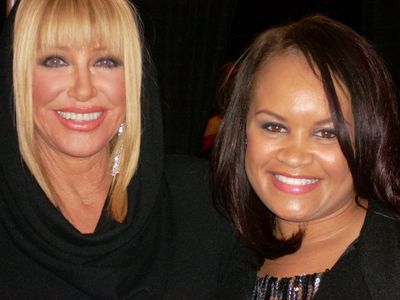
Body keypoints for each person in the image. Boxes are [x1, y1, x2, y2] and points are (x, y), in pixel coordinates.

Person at [0, 0, 235, 298]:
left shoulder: (200, 199)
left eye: (106, 62)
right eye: (56, 61)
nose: (83, 89)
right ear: (17, 74)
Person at [213, 15, 400, 299]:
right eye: (274, 127)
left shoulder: (390, 265)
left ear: (369, 137)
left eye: (327, 133)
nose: (294, 156)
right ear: (241, 131)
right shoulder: (215, 258)